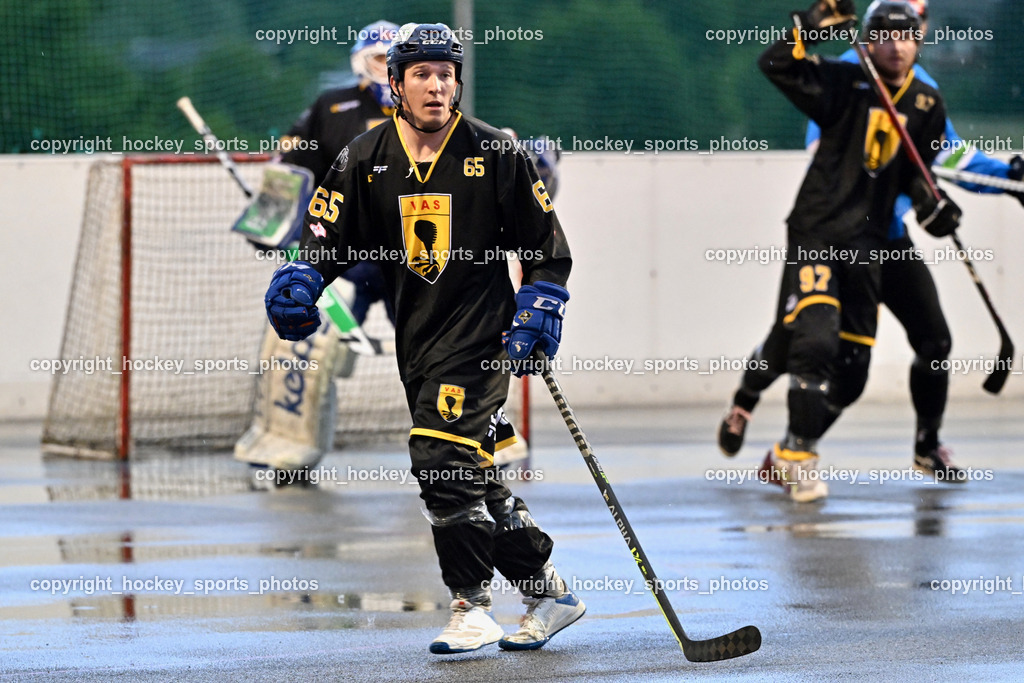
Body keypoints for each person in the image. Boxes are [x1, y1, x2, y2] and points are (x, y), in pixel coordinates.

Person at [263, 23, 583, 653]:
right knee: (476, 477)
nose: (438, 87)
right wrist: (299, 278)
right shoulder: (361, 156)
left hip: (482, 337)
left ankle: (471, 605)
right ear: (396, 84)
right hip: (418, 340)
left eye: (447, 74)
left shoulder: (497, 153)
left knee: (437, 458)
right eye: (422, 75)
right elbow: (323, 242)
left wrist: (541, 303)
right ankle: (549, 593)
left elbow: (546, 249)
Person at [718, 0, 1024, 482]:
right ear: (869, 34)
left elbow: (943, 161)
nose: (903, 39)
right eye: (891, 29)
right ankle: (753, 406)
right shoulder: (846, 76)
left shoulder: (926, 94)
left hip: (884, 238)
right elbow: (839, 157)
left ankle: (917, 446)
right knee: (801, 337)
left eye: (915, 26)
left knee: (914, 346)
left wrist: (996, 179)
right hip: (830, 231)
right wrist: (807, 32)